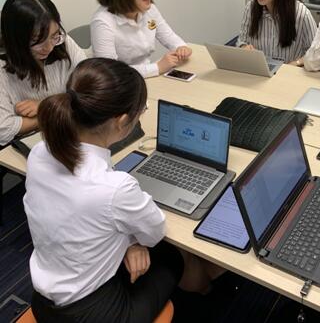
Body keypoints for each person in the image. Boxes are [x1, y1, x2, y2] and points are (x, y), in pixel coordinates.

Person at [23, 58, 214, 322]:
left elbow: (82, 216)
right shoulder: (115, 187)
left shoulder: (39, 153)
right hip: (96, 314)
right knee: (176, 253)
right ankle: (210, 296)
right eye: (141, 111)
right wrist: (134, 241)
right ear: (122, 121)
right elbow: (155, 232)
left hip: (44, 301)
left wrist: (130, 244)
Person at [0, 0, 86, 146]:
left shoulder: (63, 43)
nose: (48, 47)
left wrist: (45, 105)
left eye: (54, 35)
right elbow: (4, 129)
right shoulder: (2, 68)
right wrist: (54, 110)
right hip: (27, 146)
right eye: (37, 41)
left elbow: (90, 87)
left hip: (69, 133)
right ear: (16, 39)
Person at [91, 0, 192, 78]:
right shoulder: (102, 22)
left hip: (147, 77)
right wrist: (157, 67)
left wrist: (181, 47)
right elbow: (109, 73)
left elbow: (168, 36)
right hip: (122, 84)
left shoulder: (149, 9)